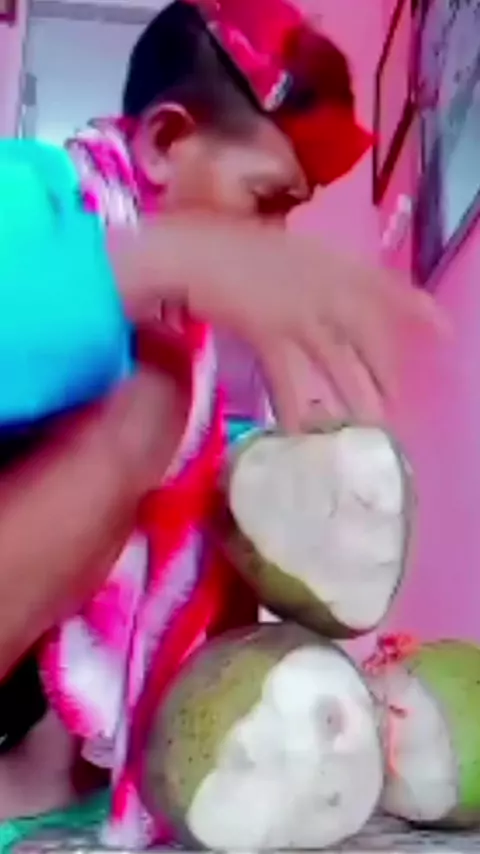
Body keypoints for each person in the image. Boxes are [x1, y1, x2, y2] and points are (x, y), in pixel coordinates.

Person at [0, 0, 445, 837]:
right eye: (263, 200)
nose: (271, 242)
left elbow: (187, 474)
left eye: (291, 213)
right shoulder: (33, 195)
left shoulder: (190, 338)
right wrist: (162, 260)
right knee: (153, 391)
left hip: (72, 753)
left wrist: (278, 468)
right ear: (165, 143)